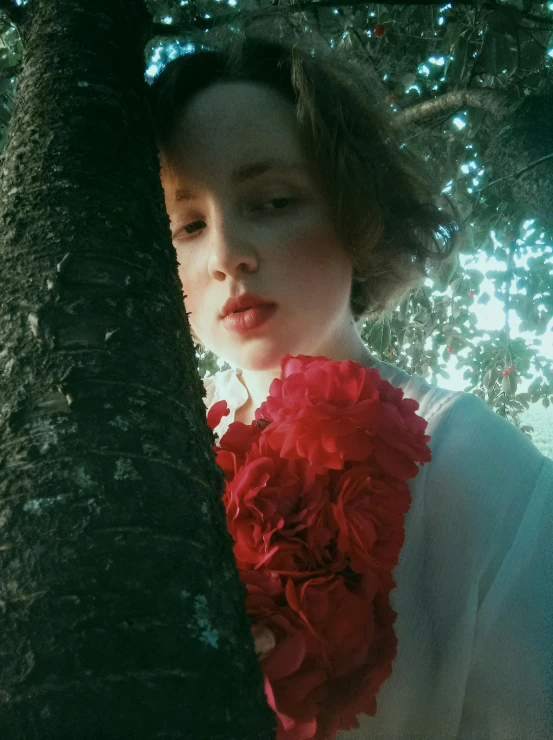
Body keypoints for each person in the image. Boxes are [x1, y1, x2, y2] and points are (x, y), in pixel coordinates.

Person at [147, 28, 553, 740]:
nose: (227, 255)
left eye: (271, 201)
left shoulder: (469, 459)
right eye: (185, 224)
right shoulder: (150, 457)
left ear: (350, 205)